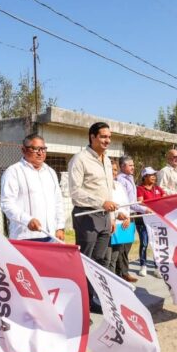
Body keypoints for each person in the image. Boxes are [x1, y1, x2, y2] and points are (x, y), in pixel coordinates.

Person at [68, 122, 117, 313]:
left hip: (104, 217)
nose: (107, 140)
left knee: (98, 261)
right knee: (84, 262)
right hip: (87, 216)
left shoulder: (106, 159)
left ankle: (91, 299)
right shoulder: (80, 160)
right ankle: (79, 305)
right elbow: (75, 192)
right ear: (92, 136)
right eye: (104, 136)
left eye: (109, 137)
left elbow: (108, 192)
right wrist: (99, 203)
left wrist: (111, 216)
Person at [0, 134, 65, 242]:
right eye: (35, 149)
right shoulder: (14, 171)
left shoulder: (50, 172)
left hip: (51, 236)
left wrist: (60, 227)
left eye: (43, 149)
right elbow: (7, 203)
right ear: (23, 150)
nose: (40, 153)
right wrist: (27, 220)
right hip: (25, 236)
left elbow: (57, 201)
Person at [116, 155, 147, 276]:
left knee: (127, 246)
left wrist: (144, 209)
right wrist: (127, 215)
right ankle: (123, 274)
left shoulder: (130, 179)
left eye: (133, 165)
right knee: (121, 249)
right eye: (130, 165)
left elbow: (132, 202)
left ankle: (124, 273)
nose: (133, 167)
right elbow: (123, 202)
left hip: (131, 216)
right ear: (123, 166)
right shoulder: (120, 180)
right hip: (123, 218)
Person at [107, 160, 136, 283]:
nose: (113, 172)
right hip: (110, 225)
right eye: (110, 169)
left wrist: (128, 217)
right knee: (107, 259)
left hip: (122, 226)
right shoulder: (103, 186)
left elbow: (126, 203)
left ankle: (116, 283)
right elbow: (106, 205)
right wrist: (116, 214)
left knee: (115, 256)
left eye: (114, 170)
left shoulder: (118, 185)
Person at [137, 167, 166, 277]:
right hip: (143, 221)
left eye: (154, 174)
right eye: (151, 175)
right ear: (145, 177)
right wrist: (155, 205)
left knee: (156, 244)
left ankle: (157, 267)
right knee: (144, 243)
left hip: (156, 221)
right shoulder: (140, 189)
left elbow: (164, 198)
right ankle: (143, 266)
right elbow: (140, 202)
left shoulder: (158, 188)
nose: (154, 176)